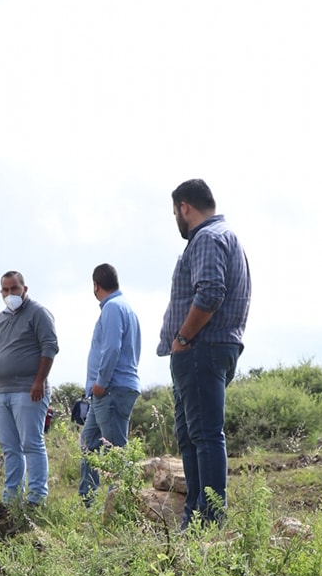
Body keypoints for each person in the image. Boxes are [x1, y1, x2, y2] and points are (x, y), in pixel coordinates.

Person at [156, 180, 251, 525]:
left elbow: (210, 293)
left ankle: (209, 520)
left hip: (201, 347)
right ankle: (195, 517)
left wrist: (183, 337)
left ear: (184, 207)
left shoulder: (208, 238)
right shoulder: (224, 235)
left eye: (175, 213)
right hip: (209, 347)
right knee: (194, 436)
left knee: (205, 435)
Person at [0, 270, 59, 506]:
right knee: (10, 447)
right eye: (6, 289)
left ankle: (36, 498)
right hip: (3, 391)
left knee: (31, 443)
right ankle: (10, 500)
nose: (10, 293)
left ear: (24, 289)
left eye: (14, 288)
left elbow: (50, 346)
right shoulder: (1, 317)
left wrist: (39, 380)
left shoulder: (38, 313)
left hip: (29, 389)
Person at [78, 263, 141, 499]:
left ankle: (121, 507)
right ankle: (88, 503)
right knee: (88, 445)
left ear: (96, 286)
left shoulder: (113, 308)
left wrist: (100, 383)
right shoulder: (125, 308)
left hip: (110, 390)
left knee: (115, 452)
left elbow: (113, 349)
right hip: (107, 391)